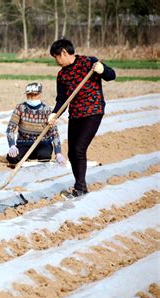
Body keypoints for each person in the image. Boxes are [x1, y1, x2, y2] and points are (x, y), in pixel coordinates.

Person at [48, 38, 116, 197]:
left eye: (56, 57)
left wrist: (102, 70)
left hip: (93, 111)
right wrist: (55, 113)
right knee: (72, 153)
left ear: (64, 52)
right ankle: (81, 186)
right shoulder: (62, 75)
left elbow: (111, 75)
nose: (56, 61)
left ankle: (80, 188)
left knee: (79, 149)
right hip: (76, 114)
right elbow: (62, 99)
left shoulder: (89, 63)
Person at [6, 82, 65, 167]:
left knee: (44, 156)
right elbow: (10, 129)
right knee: (12, 158)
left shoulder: (47, 110)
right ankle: (26, 156)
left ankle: (32, 156)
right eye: (29, 95)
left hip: (42, 143)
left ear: (40, 94)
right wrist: (12, 145)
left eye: (34, 95)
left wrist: (58, 153)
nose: (31, 97)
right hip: (24, 143)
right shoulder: (20, 108)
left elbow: (55, 134)